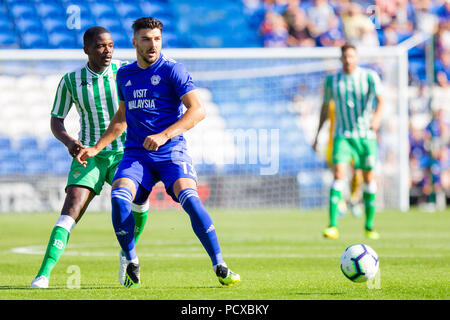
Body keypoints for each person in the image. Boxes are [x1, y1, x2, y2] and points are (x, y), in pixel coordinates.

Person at [76, 17, 240, 288]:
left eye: (157, 39)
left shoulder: (174, 70)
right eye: (146, 39)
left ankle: (220, 264)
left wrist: (164, 135)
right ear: (134, 43)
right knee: (118, 197)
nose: (152, 45)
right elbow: (121, 117)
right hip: (136, 155)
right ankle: (131, 260)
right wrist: (96, 147)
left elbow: (198, 110)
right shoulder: (125, 75)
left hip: (171, 152)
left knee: (190, 199)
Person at [31, 27, 149, 289]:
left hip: (126, 153)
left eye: (110, 45)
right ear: (86, 49)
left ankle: (127, 255)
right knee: (71, 209)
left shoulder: (126, 71)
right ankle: (43, 273)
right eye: (99, 46)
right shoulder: (71, 81)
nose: (106, 51)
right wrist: (69, 141)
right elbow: (56, 120)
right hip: (89, 155)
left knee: (137, 202)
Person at [312, 43, 385, 240]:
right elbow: (325, 108)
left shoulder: (369, 77)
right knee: (338, 174)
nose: (348, 60)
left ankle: (369, 226)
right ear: (341, 58)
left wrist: (376, 119)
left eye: (351, 56)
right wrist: (318, 134)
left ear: (357, 58)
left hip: (366, 137)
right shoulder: (332, 81)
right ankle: (332, 225)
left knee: (369, 178)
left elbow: (381, 100)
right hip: (342, 136)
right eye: (345, 57)